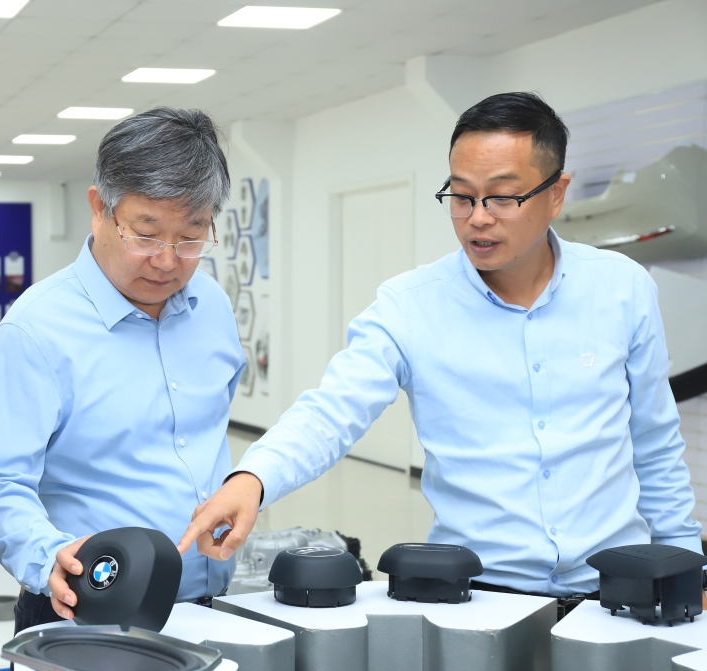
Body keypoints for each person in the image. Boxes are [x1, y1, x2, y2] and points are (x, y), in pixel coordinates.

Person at [180, 92, 704, 616]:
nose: (478, 218)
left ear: (556, 194)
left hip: (618, 592)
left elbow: (655, 444)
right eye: (462, 196)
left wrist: (688, 568)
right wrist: (252, 480)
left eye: (503, 197)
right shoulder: (409, 305)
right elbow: (330, 412)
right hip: (478, 598)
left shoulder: (622, 289)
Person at [0, 107, 243, 638]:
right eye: (146, 234)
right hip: (87, 612)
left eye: (191, 238)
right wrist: (46, 555)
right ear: (99, 209)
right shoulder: (36, 330)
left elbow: (208, 434)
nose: (167, 260)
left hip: (210, 606)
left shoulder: (212, 307)